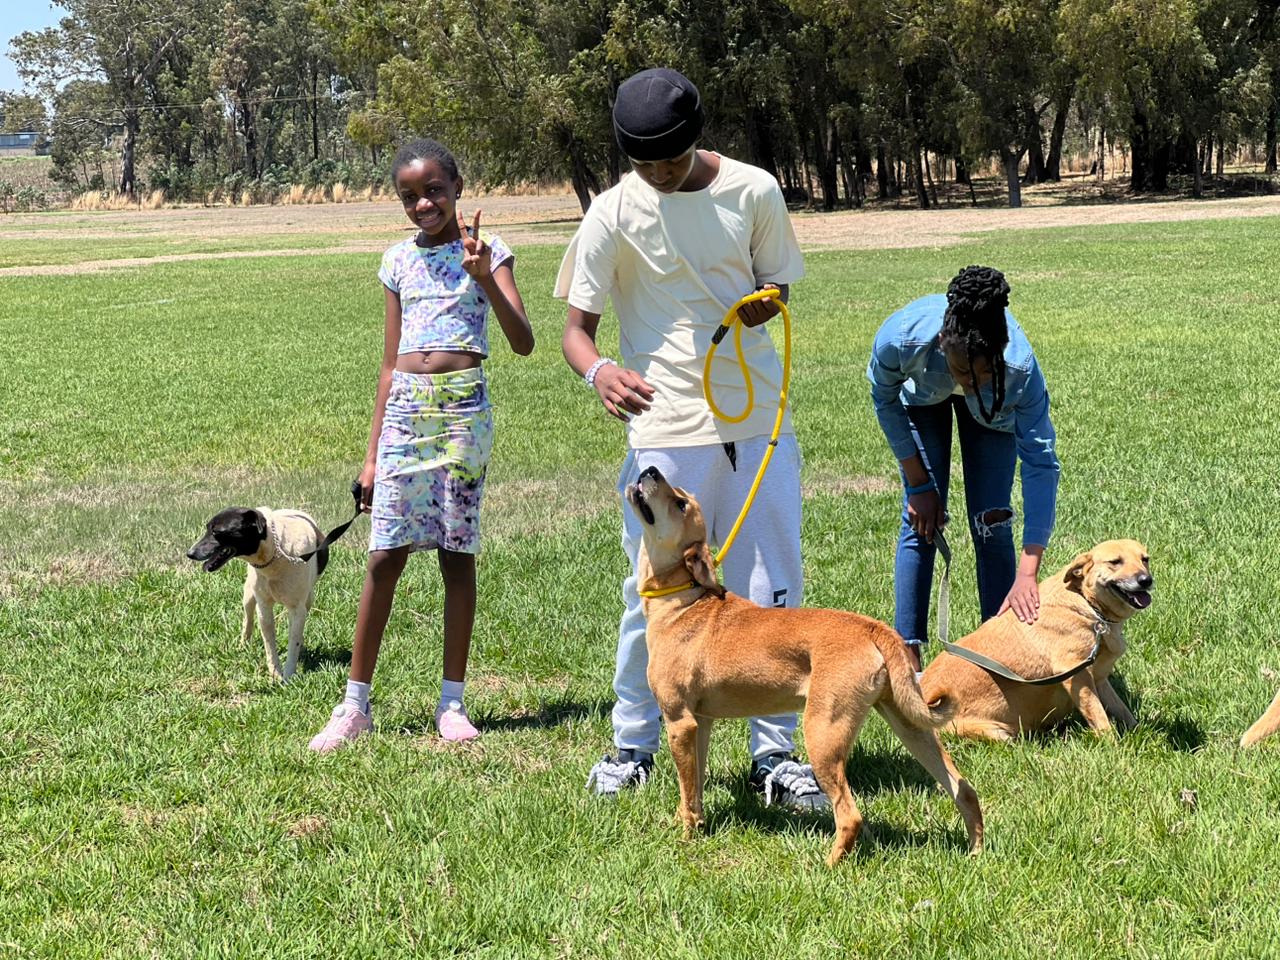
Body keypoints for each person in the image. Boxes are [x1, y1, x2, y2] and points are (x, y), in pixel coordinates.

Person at [555, 67, 827, 810]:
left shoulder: (753, 189)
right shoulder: (610, 212)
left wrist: (764, 305)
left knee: (772, 590)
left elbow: (779, 283)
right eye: (644, 163)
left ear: (697, 136)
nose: (658, 175)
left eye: (669, 161)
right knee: (651, 592)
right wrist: (600, 372)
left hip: (758, 421)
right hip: (664, 426)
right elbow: (576, 332)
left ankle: (776, 759)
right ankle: (634, 743)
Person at [309, 138, 535, 752]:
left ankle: (452, 703)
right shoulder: (396, 261)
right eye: (410, 196)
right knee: (384, 554)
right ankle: (354, 705)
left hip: (462, 409)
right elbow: (388, 364)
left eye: (434, 189)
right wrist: (372, 454)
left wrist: (485, 276)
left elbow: (523, 340)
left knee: (456, 554)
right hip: (407, 410)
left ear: (458, 186)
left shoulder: (489, 252)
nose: (423, 203)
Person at [867, 265, 1060, 672]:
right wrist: (918, 484)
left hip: (995, 418)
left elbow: (1041, 462)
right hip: (923, 400)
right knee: (921, 519)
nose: (972, 383)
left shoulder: (1020, 369)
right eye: (961, 371)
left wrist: (1029, 573)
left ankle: (998, 652)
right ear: (941, 343)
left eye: (984, 372)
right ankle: (909, 662)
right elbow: (883, 397)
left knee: (991, 521)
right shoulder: (902, 338)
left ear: (1001, 351)